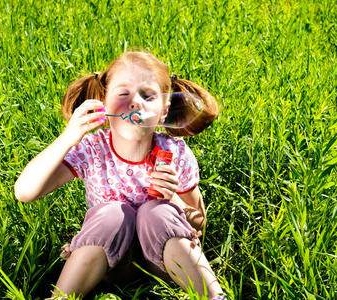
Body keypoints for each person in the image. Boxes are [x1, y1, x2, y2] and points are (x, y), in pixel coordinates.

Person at [14, 51, 225, 299]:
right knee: (112, 213)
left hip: (162, 266)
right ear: (104, 102)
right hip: (106, 266)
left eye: (148, 96)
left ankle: (214, 297)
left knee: (157, 212)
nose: (135, 103)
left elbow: (199, 222)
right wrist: (69, 137)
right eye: (123, 94)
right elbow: (25, 192)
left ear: (164, 110)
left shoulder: (175, 152)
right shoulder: (93, 149)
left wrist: (174, 201)